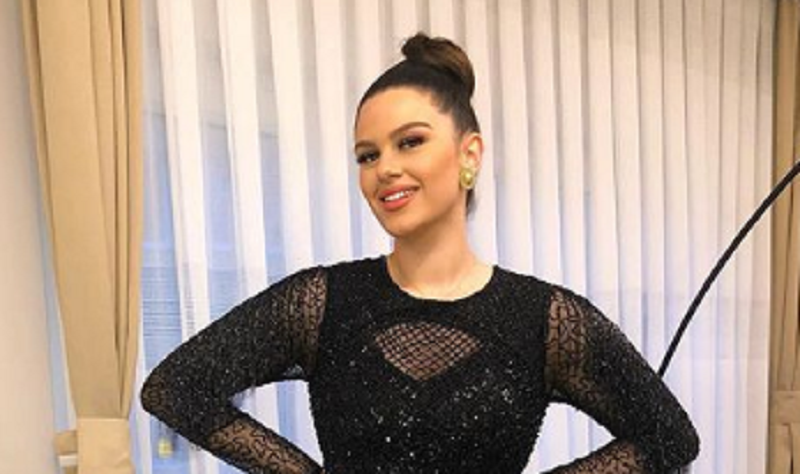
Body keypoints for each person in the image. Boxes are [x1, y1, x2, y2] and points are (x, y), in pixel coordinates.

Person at [141, 32, 700, 474]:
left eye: (410, 142)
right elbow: (174, 389)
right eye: (367, 155)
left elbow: (669, 437)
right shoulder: (322, 303)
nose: (384, 168)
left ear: (469, 154)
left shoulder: (546, 320)